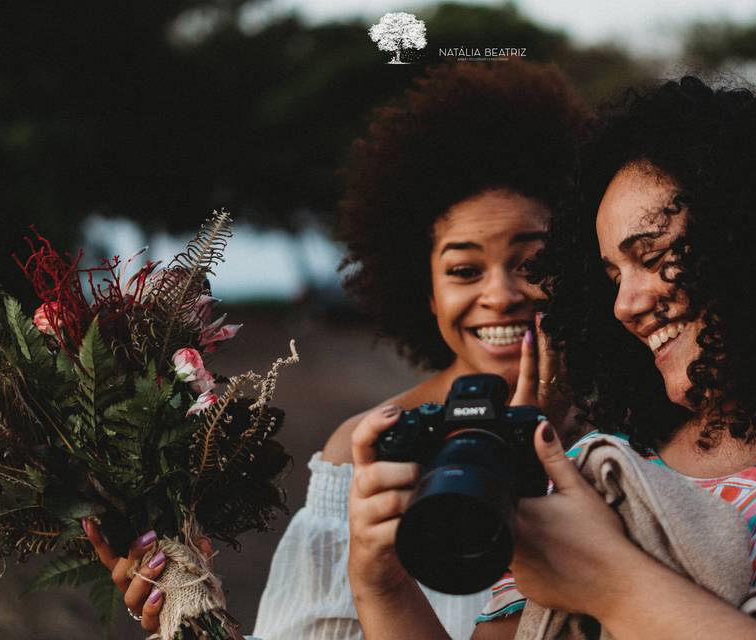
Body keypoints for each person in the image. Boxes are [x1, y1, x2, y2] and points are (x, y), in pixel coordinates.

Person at [347, 77, 756, 639]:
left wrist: (609, 582)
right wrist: (384, 588)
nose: (625, 306)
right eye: (612, 275)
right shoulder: (599, 467)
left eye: (654, 256)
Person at [85, 60, 590, 639]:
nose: (499, 295)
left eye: (531, 264)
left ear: (582, 266)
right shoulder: (370, 449)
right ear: (425, 291)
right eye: (465, 269)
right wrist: (186, 611)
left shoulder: (643, 430)